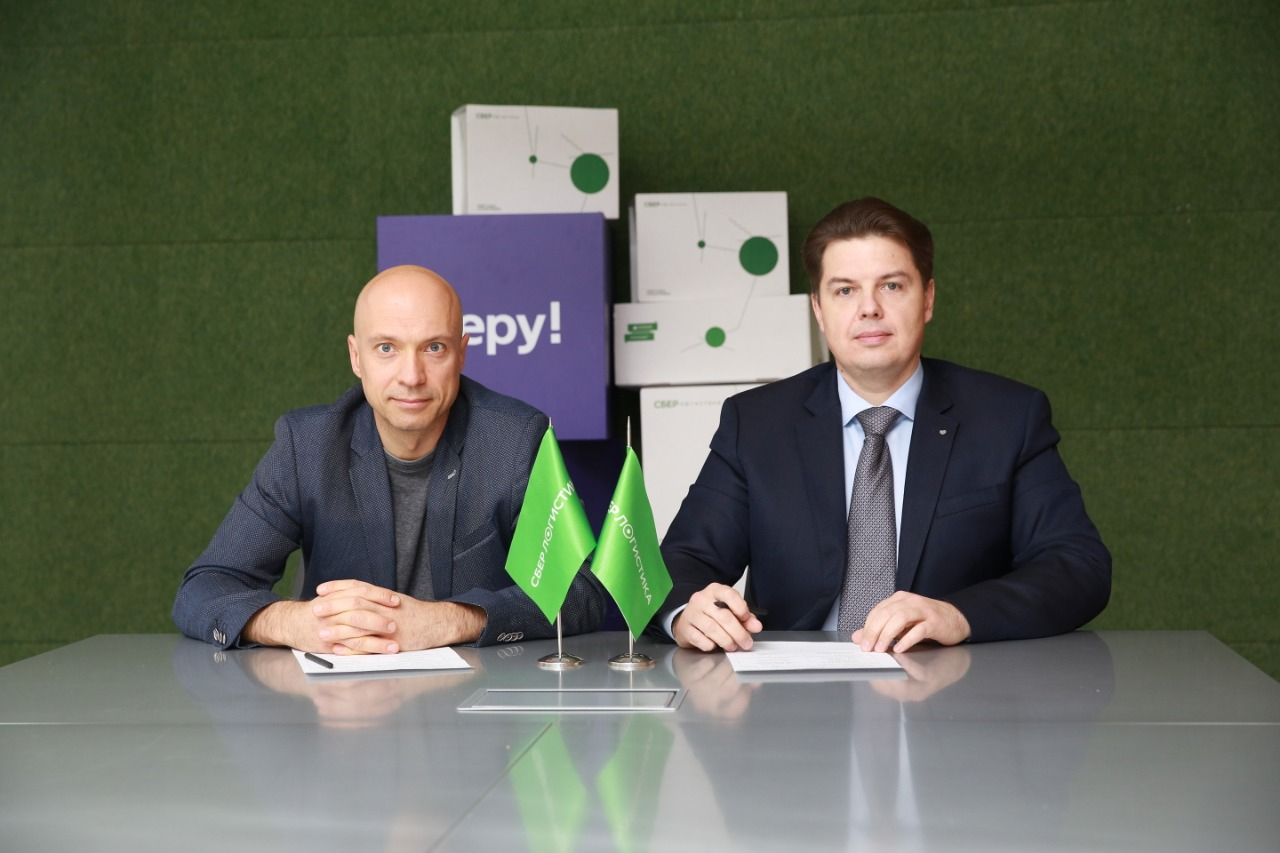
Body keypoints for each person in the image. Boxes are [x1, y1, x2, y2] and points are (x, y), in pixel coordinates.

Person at [653, 198, 1110, 654]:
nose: (869, 308)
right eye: (844, 291)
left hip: (952, 682)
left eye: (891, 286)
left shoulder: (1007, 417)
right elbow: (681, 561)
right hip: (794, 686)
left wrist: (958, 615)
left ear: (927, 299)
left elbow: (1077, 565)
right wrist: (686, 612)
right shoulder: (756, 424)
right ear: (818, 310)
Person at [173, 265, 604, 653]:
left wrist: (449, 620)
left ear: (462, 353)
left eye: (433, 348)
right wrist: (294, 623)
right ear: (356, 356)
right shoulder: (306, 446)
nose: (411, 376)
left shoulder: (514, 439)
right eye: (386, 348)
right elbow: (205, 587)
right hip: (342, 702)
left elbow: (582, 591)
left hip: (474, 700)